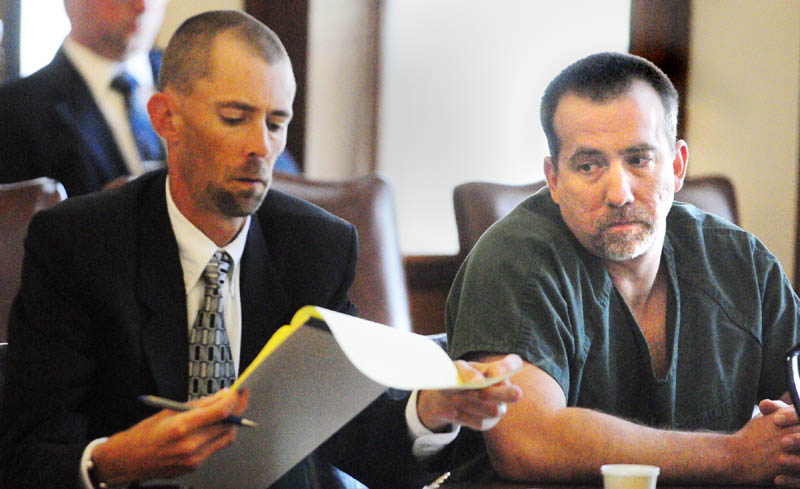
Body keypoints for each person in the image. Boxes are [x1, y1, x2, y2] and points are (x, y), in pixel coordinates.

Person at [0, 10, 521, 489]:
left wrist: (431, 411)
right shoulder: (79, 245)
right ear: (165, 119)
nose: (261, 146)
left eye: (276, 123)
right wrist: (113, 459)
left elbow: (356, 438)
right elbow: (25, 454)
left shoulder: (317, 245)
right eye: (234, 117)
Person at [444, 51, 800, 487]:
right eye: (589, 165)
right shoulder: (513, 260)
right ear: (553, 178)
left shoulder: (739, 261)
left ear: (677, 166)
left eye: (639, 160)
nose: (619, 193)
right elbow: (529, 442)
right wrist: (734, 455)